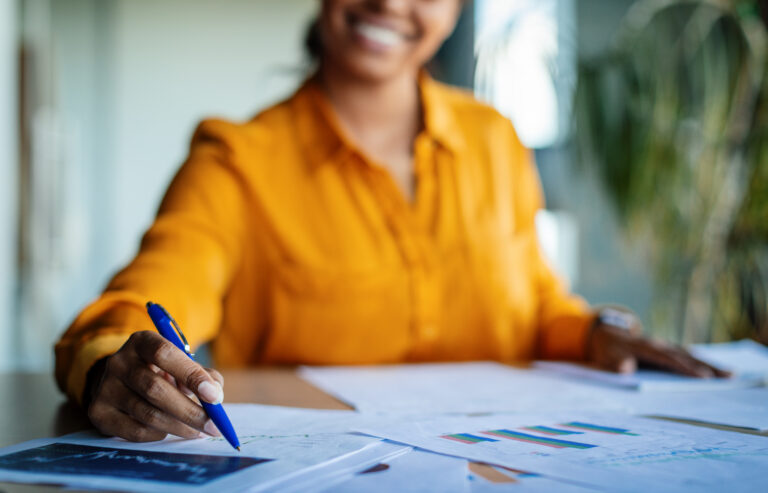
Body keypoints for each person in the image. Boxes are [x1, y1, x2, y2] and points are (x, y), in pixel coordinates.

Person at [54, 0, 727, 443]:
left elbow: (534, 304)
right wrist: (112, 360)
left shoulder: (495, 139)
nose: (389, 2)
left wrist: (593, 331)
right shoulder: (237, 161)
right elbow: (152, 295)